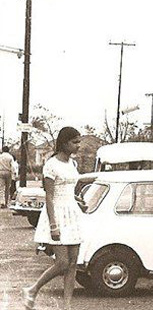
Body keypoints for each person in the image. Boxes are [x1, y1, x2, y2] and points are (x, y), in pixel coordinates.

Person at [22, 127, 84, 310]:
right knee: (62, 262)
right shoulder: (51, 165)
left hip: (72, 213)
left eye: (79, 142)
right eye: (75, 142)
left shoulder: (73, 164)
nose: (78, 145)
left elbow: (69, 191)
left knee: (73, 263)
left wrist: (78, 200)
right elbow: (49, 196)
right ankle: (32, 290)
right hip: (56, 214)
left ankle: (67, 306)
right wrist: (53, 225)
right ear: (64, 143)